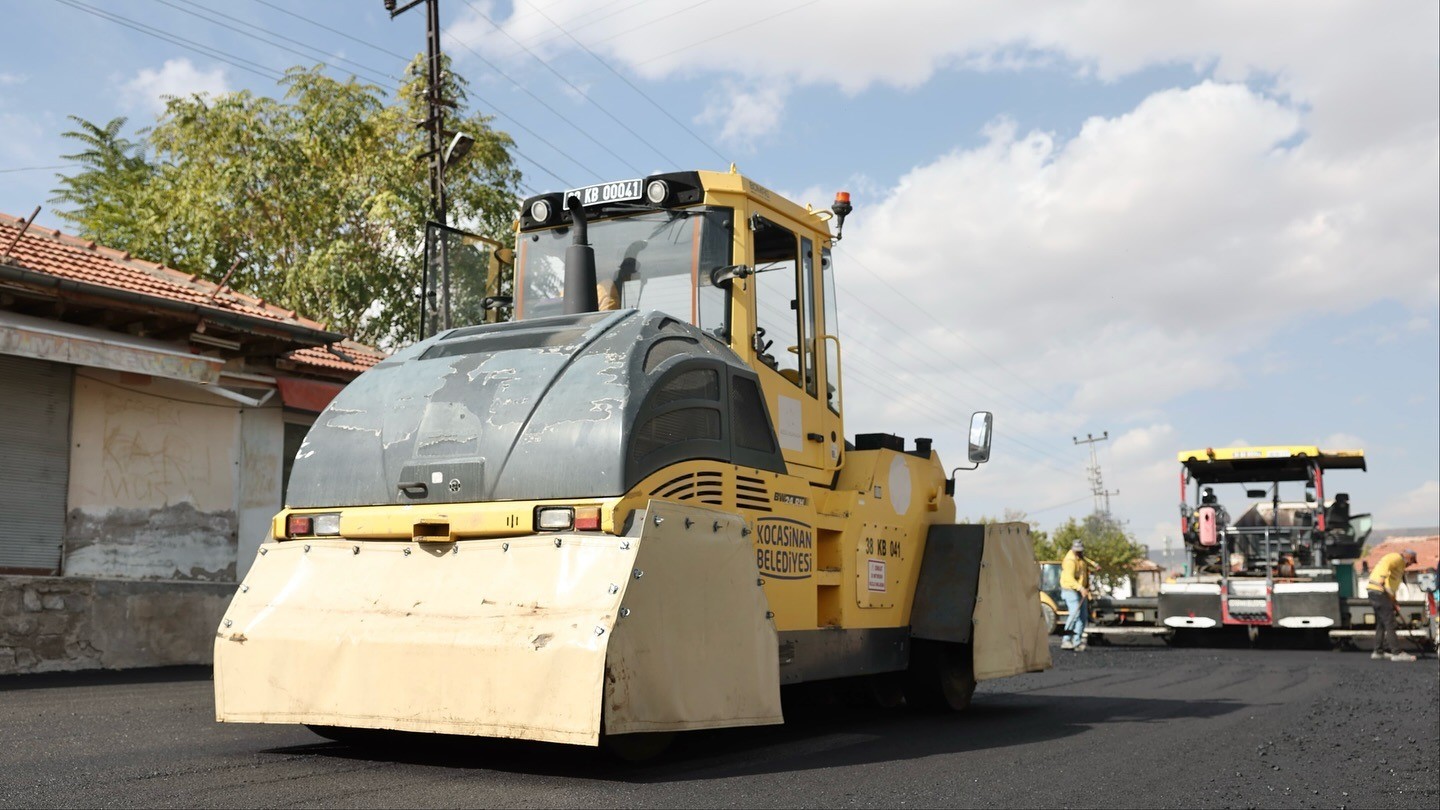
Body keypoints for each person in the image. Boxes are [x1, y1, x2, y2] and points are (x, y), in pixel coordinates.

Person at [1366, 548, 1419, 662]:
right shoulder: (1397, 558)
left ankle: (1378, 651)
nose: (1410, 565)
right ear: (1408, 557)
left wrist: (1394, 602)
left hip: (1378, 592)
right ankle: (1396, 652)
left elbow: (1391, 585)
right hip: (1378, 590)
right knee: (1390, 622)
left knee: (1381, 623)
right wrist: (1381, 578)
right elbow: (1385, 562)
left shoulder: (1399, 568)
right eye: (1411, 562)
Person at [1060, 541, 1097, 651]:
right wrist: (1080, 588)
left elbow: (1085, 566)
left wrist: (1094, 567)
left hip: (1081, 590)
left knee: (1083, 617)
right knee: (1075, 614)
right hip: (1070, 590)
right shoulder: (1070, 561)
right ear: (1073, 549)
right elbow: (1069, 579)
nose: (1080, 552)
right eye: (1078, 551)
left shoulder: (1081, 559)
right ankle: (1066, 640)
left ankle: (1077, 642)